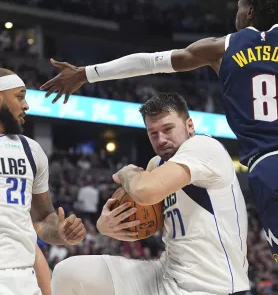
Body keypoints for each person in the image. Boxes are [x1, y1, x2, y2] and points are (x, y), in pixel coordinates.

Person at [39, 0, 278, 294]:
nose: (236, 11)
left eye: (240, 4)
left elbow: (150, 63)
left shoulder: (220, 49)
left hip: (269, 167)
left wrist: (87, 73)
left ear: (250, 11)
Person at [51, 93, 249, 295]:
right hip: (166, 275)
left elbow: (143, 191)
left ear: (189, 125)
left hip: (214, 287)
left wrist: (126, 171)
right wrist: (107, 225)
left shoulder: (204, 147)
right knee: (67, 273)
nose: (161, 139)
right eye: (153, 133)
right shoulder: (156, 165)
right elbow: (147, 221)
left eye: (168, 129)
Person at [0, 68, 87, 295]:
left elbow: (40, 220)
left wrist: (59, 232)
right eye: (19, 96)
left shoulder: (31, 150)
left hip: (23, 278)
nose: (26, 105)